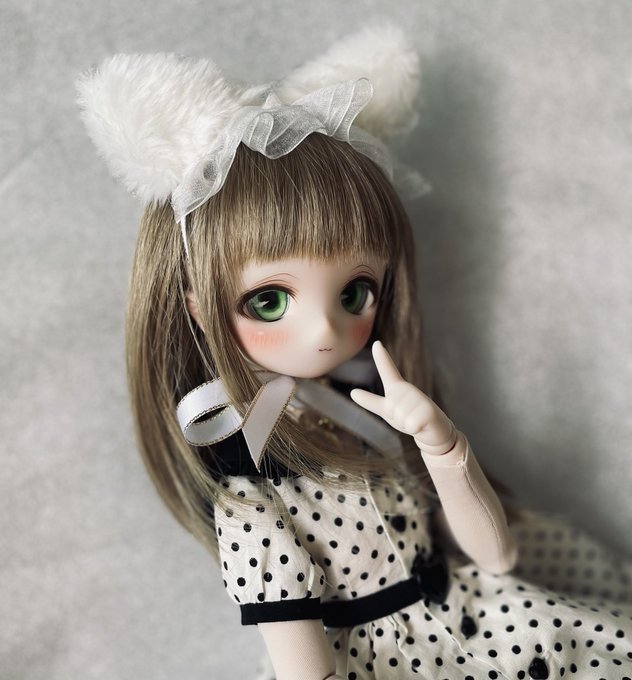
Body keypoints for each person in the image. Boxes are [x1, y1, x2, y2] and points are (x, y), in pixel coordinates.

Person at [78, 27, 632, 680]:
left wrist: (444, 448)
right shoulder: (251, 489)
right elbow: (301, 663)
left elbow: (497, 557)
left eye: (354, 293)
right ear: (198, 308)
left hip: (482, 622)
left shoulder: (368, 413)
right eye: (269, 301)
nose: (324, 329)